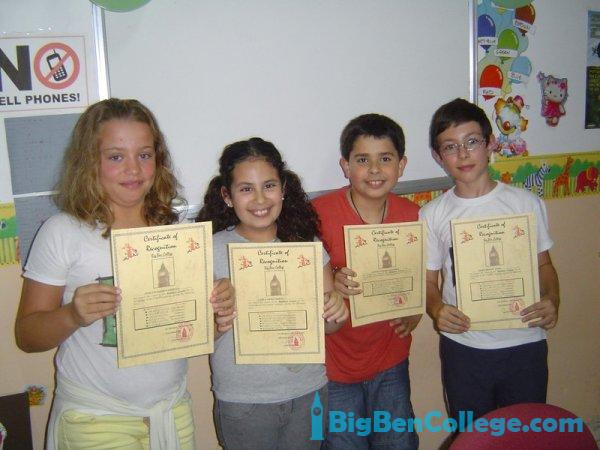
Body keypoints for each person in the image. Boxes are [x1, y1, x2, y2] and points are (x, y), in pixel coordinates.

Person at [15, 98, 235, 450]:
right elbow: (27, 336)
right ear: (90, 162)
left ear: (158, 160)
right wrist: (72, 315)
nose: (133, 169)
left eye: (144, 155)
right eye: (116, 157)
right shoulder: (63, 231)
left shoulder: (175, 231)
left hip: (171, 412)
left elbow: (189, 334)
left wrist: (219, 315)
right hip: (95, 420)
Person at [196, 137, 349, 449]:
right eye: (246, 189)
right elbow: (195, 335)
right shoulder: (208, 251)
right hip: (244, 400)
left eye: (269, 186)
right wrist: (218, 321)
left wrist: (336, 308)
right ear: (227, 196)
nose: (260, 199)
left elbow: (331, 327)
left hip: (308, 391)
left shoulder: (306, 245)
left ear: (283, 189)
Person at [421, 98, 560, 423]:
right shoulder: (432, 214)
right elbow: (429, 281)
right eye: (450, 147)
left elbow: (544, 265)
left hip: (524, 341)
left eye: (472, 142)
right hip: (464, 346)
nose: (463, 154)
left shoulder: (525, 203)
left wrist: (553, 298)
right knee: (472, 436)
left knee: (524, 435)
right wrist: (437, 309)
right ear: (438, 157)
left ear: (491, 143)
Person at [312, 114, 420, 449]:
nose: (374, 170)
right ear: (345, 166)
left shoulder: (413, 216)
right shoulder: (317, 215)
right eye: (362, 160)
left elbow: (419, 281)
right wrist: (331, 281)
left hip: (390, 361)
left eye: (385, 159)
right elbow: (300, 286)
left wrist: (414, 313)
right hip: (334, 367)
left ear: (401, 165)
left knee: (398, 443)